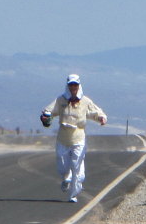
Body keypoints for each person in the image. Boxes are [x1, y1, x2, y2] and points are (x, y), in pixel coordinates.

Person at [40, 74, 107, 203]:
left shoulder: (85, 101)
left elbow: (95, 112)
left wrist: (101, 118)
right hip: (63, 138)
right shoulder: (61, 100)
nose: (73, 87)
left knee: (77, 165)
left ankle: (73, 194)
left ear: (79, 86)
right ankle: (66, 178)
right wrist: (45, 118)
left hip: (78, 138)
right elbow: (48, 112)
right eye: (71, 85)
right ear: (67, 86)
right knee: (63, 165)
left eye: (75, 85)